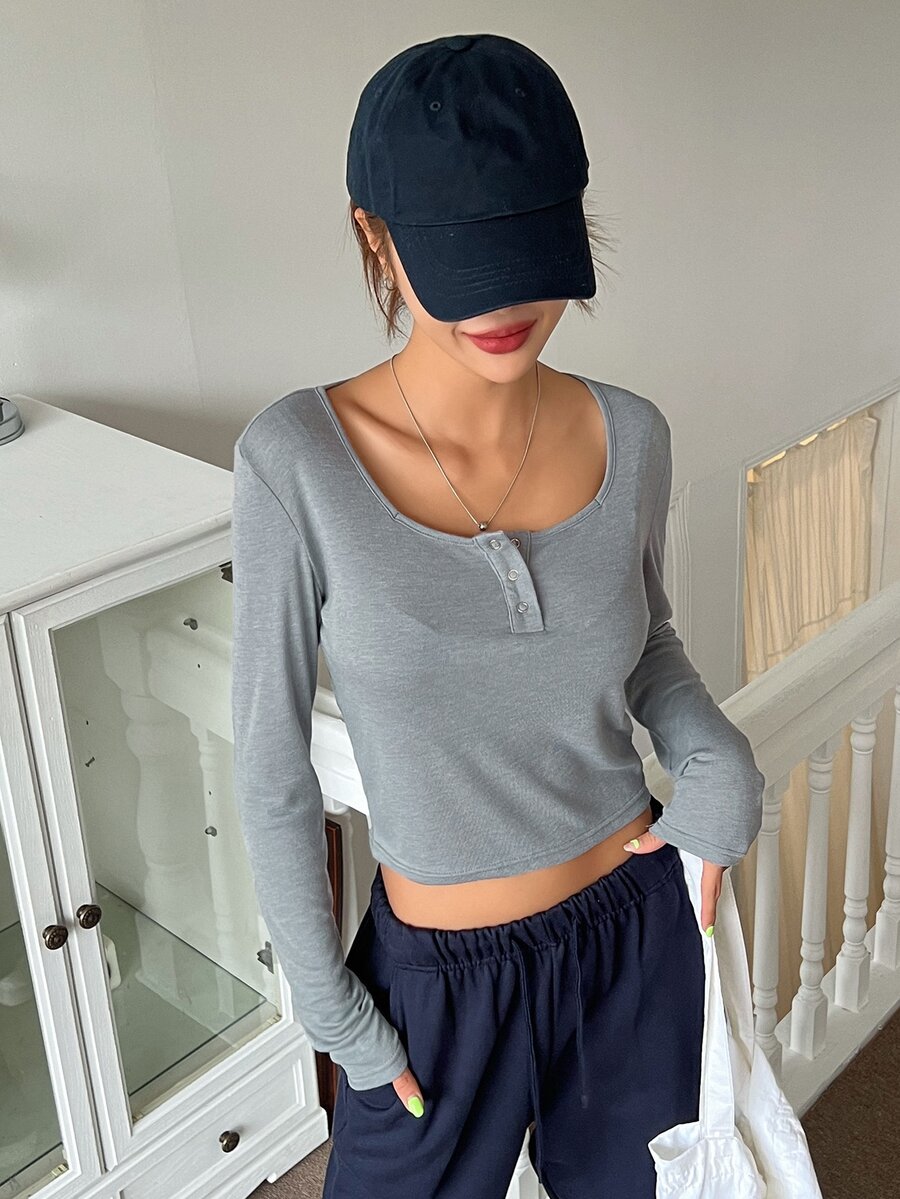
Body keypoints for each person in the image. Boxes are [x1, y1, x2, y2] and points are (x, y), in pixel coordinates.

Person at [230, 33, 766, 1199]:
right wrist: (334, 1012)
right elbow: (270, 766)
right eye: (463, 262)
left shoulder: (633, 433)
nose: (507, 305)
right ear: (374, 234)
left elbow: (646, 645)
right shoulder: (296, 460)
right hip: (435, 984)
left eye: (529, 253)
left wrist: (716, 760)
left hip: (631, 935)